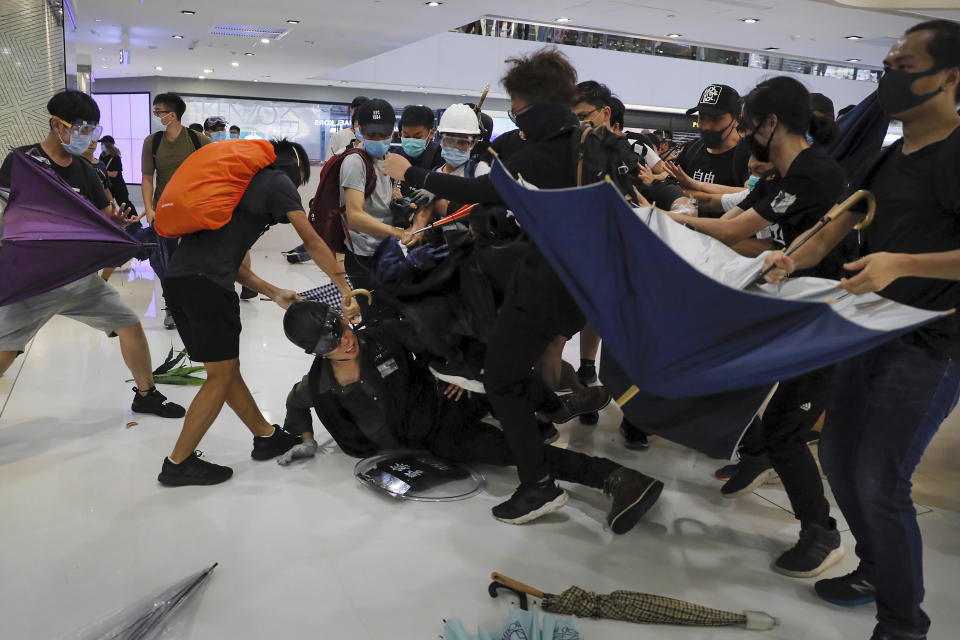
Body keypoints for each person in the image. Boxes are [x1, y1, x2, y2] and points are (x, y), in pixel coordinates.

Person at [382, 47, 663, 525]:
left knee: (500, 380)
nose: (515, 116)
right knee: (510, 370)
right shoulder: (591, 146)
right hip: (580, 285)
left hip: (544, 286)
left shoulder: (544, 152)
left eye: (517, 107)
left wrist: (409, 172)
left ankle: (538, 484)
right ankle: (556, 409)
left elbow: (483, 192)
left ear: (530, 103)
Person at [762, 19, 960, 640]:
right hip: (866, 332)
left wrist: (902, 264)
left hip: (931, 344)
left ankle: (904, 626)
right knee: (844, 467)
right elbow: (842, 223)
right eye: (890, 62)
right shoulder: (890, 155)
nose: (889, 75)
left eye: (905, 65)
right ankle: (877, 572)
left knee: (881, 479)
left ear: (950, 77)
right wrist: (792, 257)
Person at [277, 300, 661, 535]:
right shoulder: (319, 386)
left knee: (493, 374)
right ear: (315, 352)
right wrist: (306, 440)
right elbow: (296, 404)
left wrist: (451, 373)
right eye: (332, 341)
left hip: (444, 399)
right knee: (516, 449)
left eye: (341, 327)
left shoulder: (379, 337)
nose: (346, 339)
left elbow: (435, 342)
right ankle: (619, 478)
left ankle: (552, 407)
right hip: (437, 440)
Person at [669, 75, 848, 579]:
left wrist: (667, 218)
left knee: (792, 428)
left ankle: (822, 532)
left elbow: (732, 229)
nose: (744, 139)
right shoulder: (784, 175)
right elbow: (743, 215)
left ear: (770, 123)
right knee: (750, 385)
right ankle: (757, 453)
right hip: (796, 306)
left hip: (830, 315)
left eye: (748, 126)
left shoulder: (814, 173)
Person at [157, 139, 360, 487]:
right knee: (220, 377)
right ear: (296, 169)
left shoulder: (236, 190)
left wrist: (274, 292)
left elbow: (228, 260)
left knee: (227, 371)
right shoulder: (276, 182)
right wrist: (345, 288)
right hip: (207, 290)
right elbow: (312, 241)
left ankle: (266, 437)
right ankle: (178, 462)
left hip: (180, 282)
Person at [0, 90, 185, 420]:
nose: (87, 138)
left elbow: (102, 218)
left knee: (129, 324)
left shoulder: (85, 171)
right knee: (6, 350)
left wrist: (114, 223)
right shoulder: (24, 162)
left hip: (79, 280)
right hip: (34, 280)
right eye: (82, 129)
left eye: (92, 131)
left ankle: (146, 394)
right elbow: (11, 216)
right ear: (58, 125)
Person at [340, 98, 416, 319]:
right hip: (364, 257)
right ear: (359, 130)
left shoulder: (388, 159)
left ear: (393, 131)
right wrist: (398, 233)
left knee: (392, 317)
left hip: (385, 251)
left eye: (383, 135)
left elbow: (381, 201)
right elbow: (354, 216)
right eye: (371, 135)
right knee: (379, 323)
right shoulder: (355, 162)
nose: (378, 140)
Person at [141, 92, 211, 330]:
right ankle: (172, 307)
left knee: (193, 260)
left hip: (193, 211)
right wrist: (149, 208)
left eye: (159, 111)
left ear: (172, 115)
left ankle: (193, 304)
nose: (156, 115)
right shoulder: (153, 142)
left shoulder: (197, 139)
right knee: (166, 262)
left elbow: (213, 173)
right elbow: (148, 178)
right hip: (164, 211)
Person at [675, 84, 751, 216]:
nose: (706, 126)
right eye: (702, 117)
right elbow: (669, 183)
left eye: (716, 119)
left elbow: (750, 195)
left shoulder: (750, 154)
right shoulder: (693, 148)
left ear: (737, 120)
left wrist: (687, 193)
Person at [325, 96, 369, 160]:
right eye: (357, 111)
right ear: (351, 111)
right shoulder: (338, 136)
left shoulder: (372, 138)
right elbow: (328, 163)